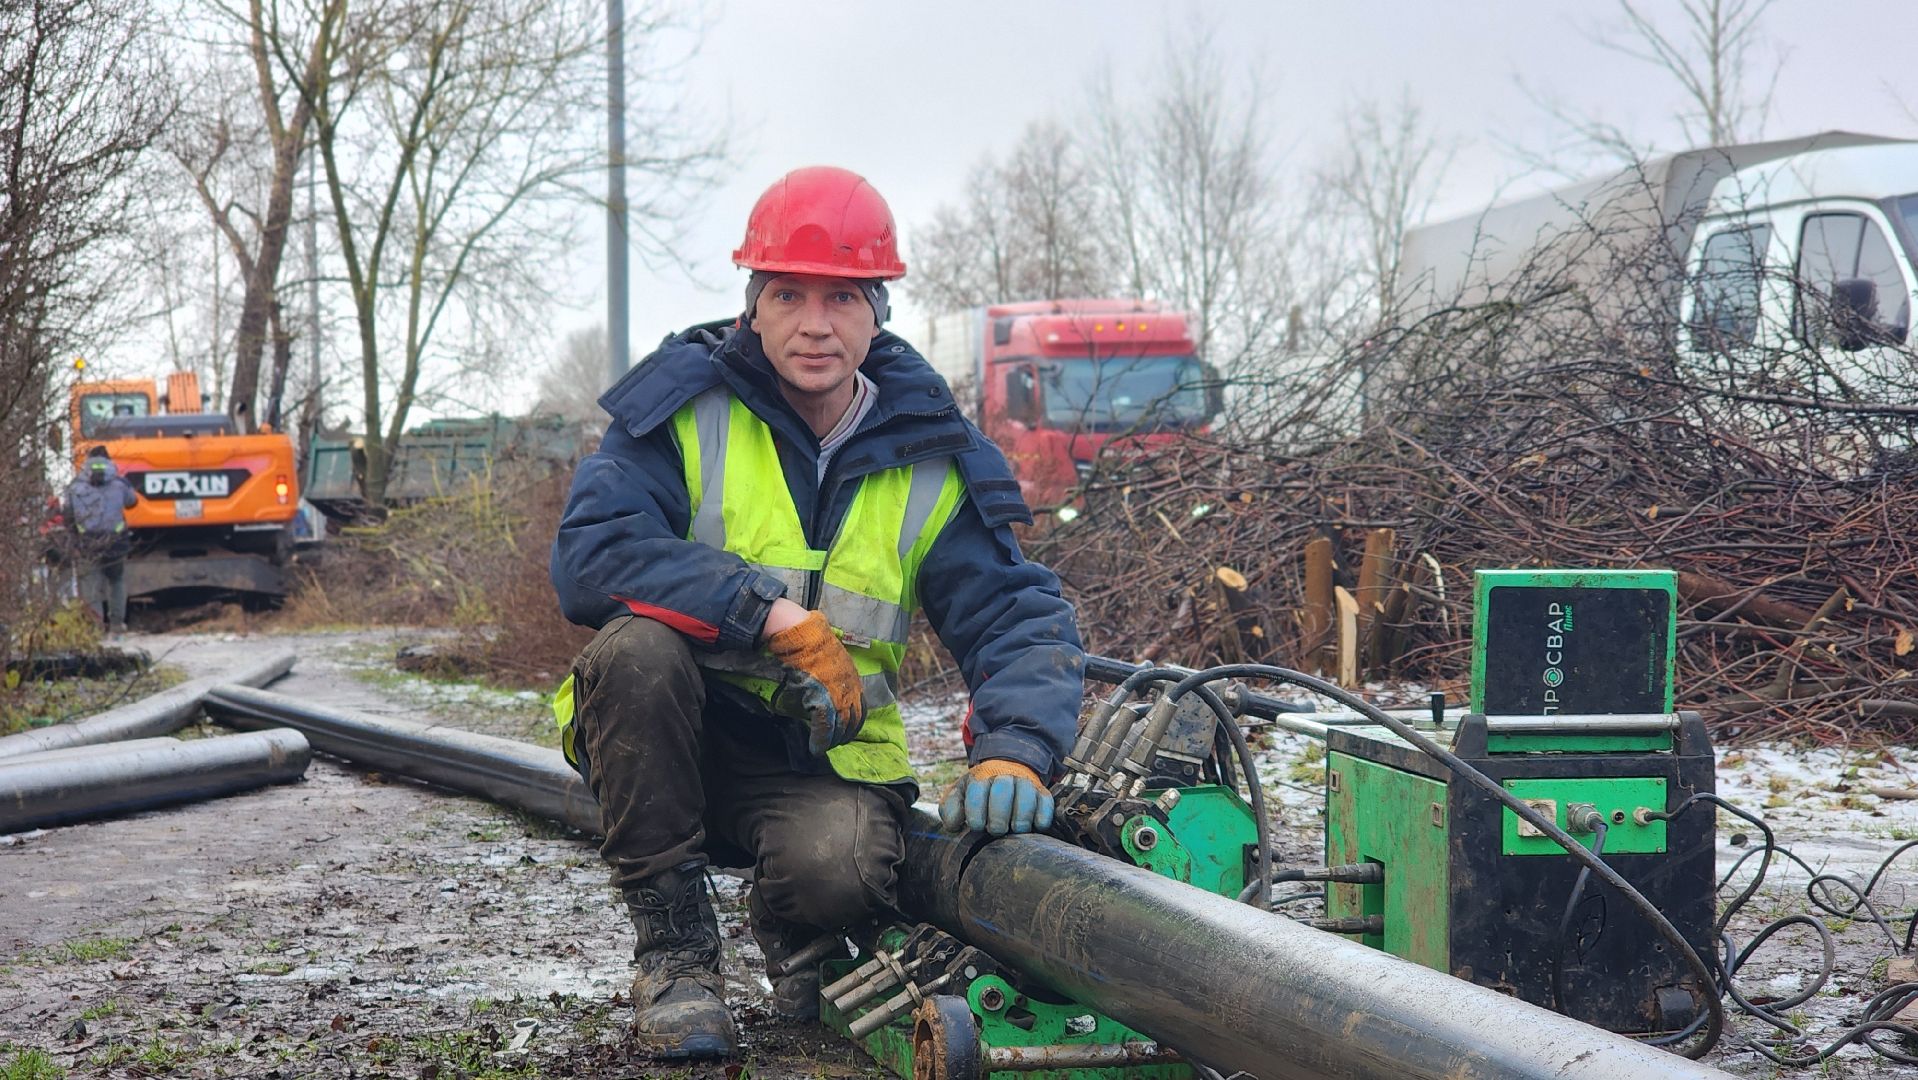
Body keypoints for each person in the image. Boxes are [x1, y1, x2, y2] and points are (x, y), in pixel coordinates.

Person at [550, 166, 1085, 1059]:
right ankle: (677, 956)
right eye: (788, 294)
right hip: (669, 738)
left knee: (840, 870)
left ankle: (795, 922)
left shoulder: (932, 455)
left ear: (877, 314)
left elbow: (1014, 613)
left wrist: (1016, 747)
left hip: (813, 760)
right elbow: (590, 559)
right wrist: (764, 612)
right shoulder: (683, 413)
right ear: (752, 305)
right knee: (635, 653)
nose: (814, 323)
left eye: (842, 298)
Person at [66, 446, 138, 634]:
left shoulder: (75, 485)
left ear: (88, 461)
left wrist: (75, 538)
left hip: (87, 541)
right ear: (108, 460)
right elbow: (132, 502)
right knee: (117, 581)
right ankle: (117, 624)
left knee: (90, 584)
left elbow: (68, 515)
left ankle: (95, 626)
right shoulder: (119, 482)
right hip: (116, 540)